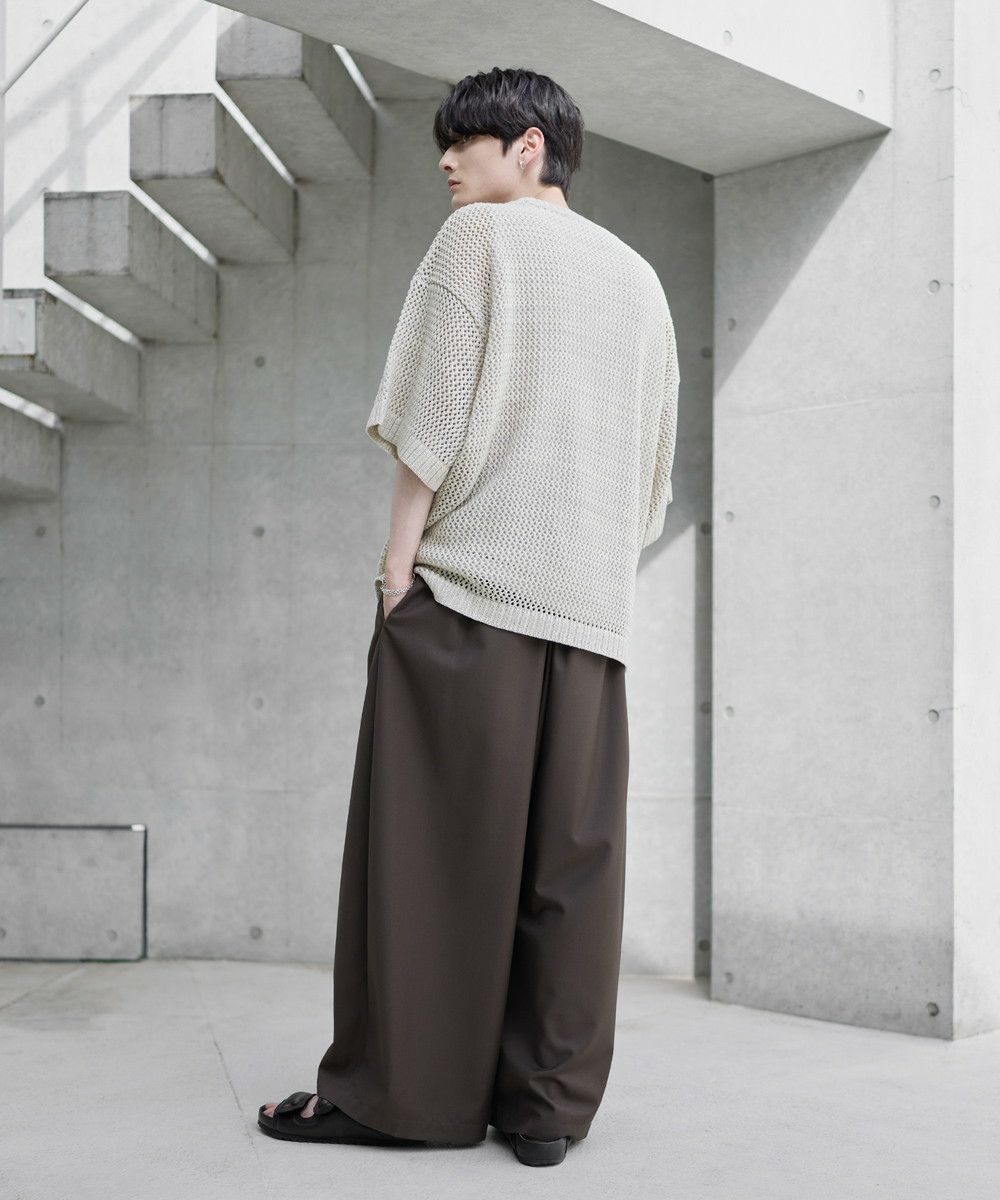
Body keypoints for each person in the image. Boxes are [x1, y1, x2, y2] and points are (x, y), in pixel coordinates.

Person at [258, 65, 679, 1168]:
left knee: (431, 860)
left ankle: (405, 1102)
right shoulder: (640, 281)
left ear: (528, 146)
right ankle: (546, 1115)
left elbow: (427, 424)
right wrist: (587, 570)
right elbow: (652, 479)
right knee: (569, 872)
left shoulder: (478, 241)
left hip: (468, 601)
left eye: (465, 142)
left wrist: (396, 571)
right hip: (591, 621)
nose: (446, 162)